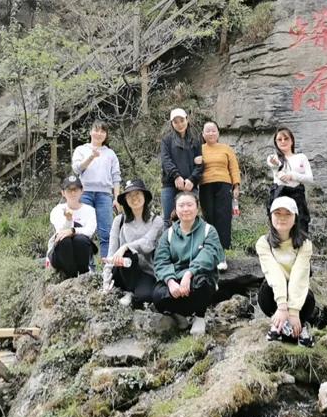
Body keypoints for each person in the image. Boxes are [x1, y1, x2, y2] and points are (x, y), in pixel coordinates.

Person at [152, 191, 224, 335]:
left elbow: (209, 255)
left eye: (189, 205)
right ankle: (179, 316)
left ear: (197, 208)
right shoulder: (169, 234)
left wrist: (189, 274)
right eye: (181, 205)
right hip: (176, 281)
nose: (185, 209)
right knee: (157, 295)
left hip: (196, 278)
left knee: (203, 283)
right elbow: (161, 261)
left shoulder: (208, 230)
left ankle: (199, 316)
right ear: (176, 209)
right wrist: (171, 281)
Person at [256, 196, 315, 347]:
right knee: (266, 290)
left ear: (295, 218)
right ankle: (278, 324)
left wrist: (294, 311)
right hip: (273, 294)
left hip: (297, 293)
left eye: (287, 214)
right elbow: (273, 273)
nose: (282, 218)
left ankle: (298, 326)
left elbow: (299, 275)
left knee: (307, 297)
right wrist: (282, 306)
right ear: (271, 217)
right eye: (277, 214)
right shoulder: (263, 243)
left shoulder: (305, 244)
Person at [103, 178, 164, 308]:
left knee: (145, 297)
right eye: (129, 195)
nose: (134, 198)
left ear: (145, 197)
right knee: (128, 255)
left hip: (145, 271)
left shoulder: (156, 221)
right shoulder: (119, 221)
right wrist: (105, 280)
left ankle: (133, 294)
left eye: (137, 194)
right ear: (125, 200)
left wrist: (126, 246)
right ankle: (128, 291)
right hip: (122, 271)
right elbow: (112, 252)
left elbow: (148, 243)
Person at [71, 120, 121, 260]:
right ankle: (87, 267)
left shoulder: (110, 153)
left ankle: (107, 266)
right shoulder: (81, 149)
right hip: (85, 193)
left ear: (106, 135)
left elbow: (116, 176)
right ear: (90, 132)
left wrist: (116, 197)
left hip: (104, 195)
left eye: (102, 131)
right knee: (84, 232)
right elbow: (77, 169)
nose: (99, 134)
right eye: (96, 130)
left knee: (106, 233)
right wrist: (91, 157)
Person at [200, 121, 240, 263]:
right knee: (209, 218)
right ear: (203, 134)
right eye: (208, 131)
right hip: (205, 186)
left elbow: (234, 168)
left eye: (213, 130)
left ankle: (222, 253)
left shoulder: (226, 149)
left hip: (224, 185)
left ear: (218, 133)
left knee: (223, 218)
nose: (211, 133)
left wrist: (236, 186)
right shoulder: (199, 149)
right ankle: (210, 251)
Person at [160, 108, 203, 228]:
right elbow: (165, 160)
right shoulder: (166, 140)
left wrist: (192, 179)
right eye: (176, 122)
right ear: (172, 123)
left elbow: (200, 163)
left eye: (182, 120)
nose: (179, 124)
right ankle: (167, 246)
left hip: (190, 185)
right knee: (168, 220)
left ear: (187, 120)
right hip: (170, 184)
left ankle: (191, 246)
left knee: (191, 218)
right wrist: (176, 176)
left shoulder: (196, 139)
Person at [47, 175, 98, 278]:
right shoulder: (58, 210)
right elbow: (60, 233)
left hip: (82, 251)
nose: (73, 193)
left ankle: (84, 273)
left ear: (82, 191)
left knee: (81, 240)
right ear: (63, 193)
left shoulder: (90, 211)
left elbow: (89, 231)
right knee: (64, 240)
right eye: (69, 190)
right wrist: (68, 220)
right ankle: (70, 275)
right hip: (60, 254)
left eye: (76, 189)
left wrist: (73, 230)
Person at [266, 127, 312, 233]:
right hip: (279, 194)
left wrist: (293, 176)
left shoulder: (301, 157)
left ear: (292, 140)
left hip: (297, 194)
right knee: (279, 226)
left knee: (300, 226)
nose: (283, 142)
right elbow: (275, 164)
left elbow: (310, 178)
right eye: (279, 139)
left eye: (286, 138)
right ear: (275, 142)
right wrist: (277, 165)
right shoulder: (273, 157)